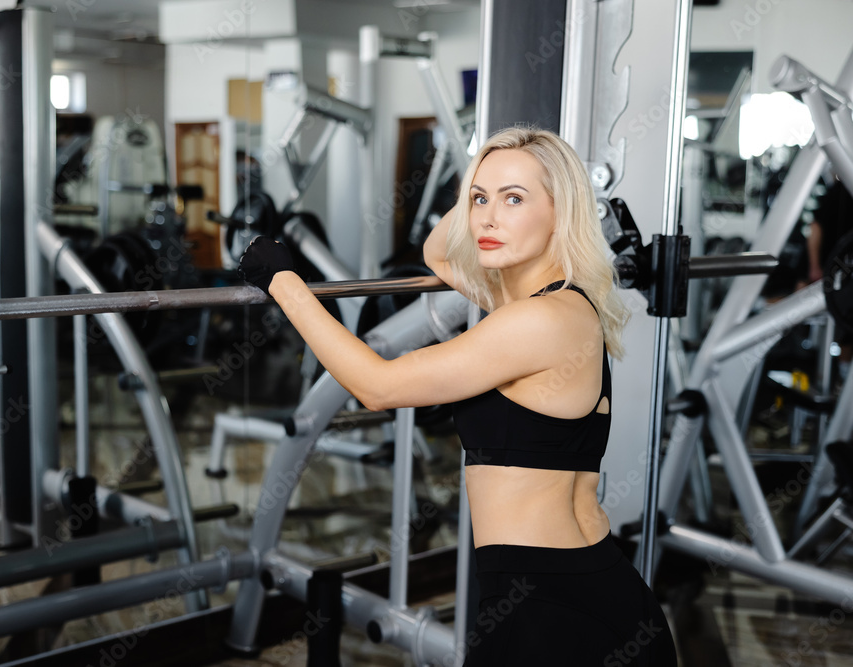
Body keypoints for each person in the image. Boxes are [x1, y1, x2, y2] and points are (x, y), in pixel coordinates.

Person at [238, 127, 677, 665]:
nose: (488, 218)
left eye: (514, 199)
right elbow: (438, 252)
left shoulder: (539, 322)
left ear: (562, 211)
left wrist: (283, 281)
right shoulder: (548, 304)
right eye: (479, 200)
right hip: (565, 588)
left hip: (554, 610)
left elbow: (378, 385)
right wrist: (494, 157)